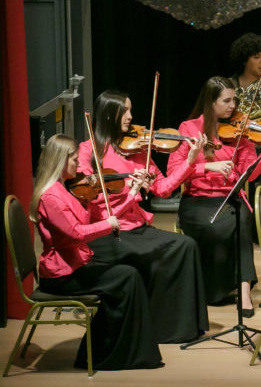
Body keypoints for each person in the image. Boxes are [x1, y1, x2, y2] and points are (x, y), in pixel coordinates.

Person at [78, 90, 209, 343]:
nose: (131, 116)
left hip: (137, 228)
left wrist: (190, 161)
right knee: (166, 252)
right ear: (108, 115)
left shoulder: (139, 150)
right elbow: (87, 195)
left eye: (130, 110)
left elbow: (164, 188)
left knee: (187, 245)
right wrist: (130, 187)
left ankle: (178, 329)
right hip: (109, 232)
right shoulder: (89, 152)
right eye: (124, 111)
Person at [30, 135, 162, 370]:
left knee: (129, 275)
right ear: (60, 161)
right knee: (127, 276)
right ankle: (111, 354)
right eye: (73, 159)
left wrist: (129, 195)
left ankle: (115, 351)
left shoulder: (65, 190)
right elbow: (77, 233)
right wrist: (110, 223)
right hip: (62, 276)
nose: (78, 165)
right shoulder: (51, 196)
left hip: (75, 265)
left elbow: (93, 219)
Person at [168, 76, 261, 317]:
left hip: (229, 197)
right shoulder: (189, 128)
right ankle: (213, 288)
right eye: (227, 101)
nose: (233, 106)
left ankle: (243, 291)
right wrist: (205, 168)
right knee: (215, 227)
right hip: (197, 200)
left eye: (234, 100)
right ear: (211, 103)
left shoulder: (241, 130)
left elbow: (250, 175)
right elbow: (173, 173)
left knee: (240, 219)